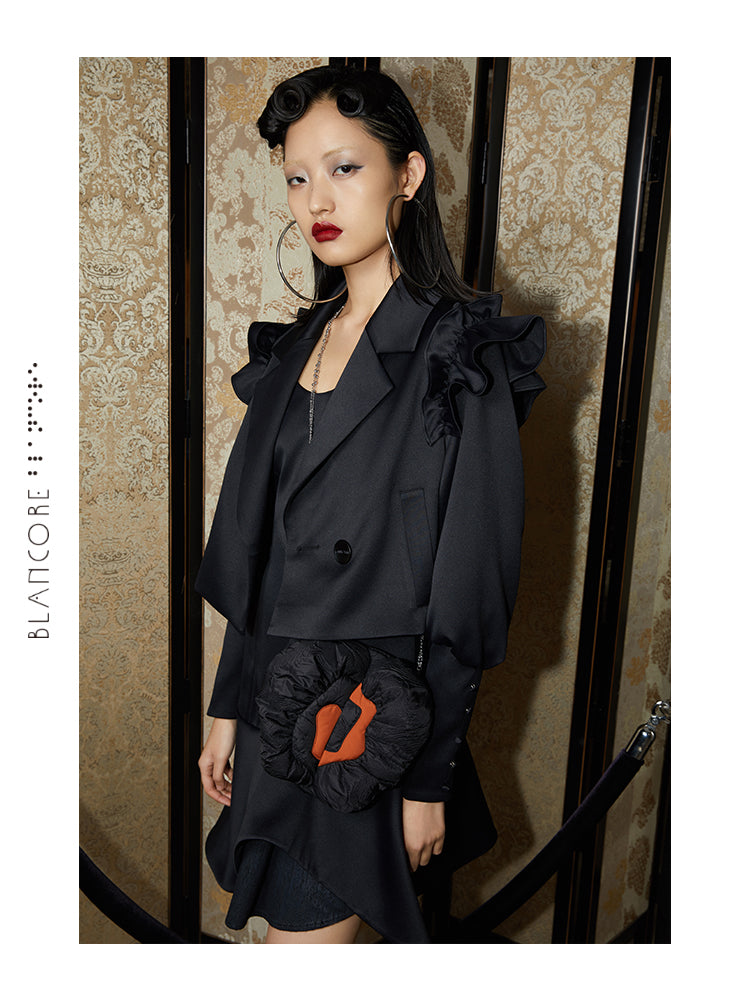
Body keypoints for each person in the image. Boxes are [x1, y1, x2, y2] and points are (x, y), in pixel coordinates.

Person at [196, 65, 546, 944]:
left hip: (366, 728)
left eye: (344, 168)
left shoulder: (461, 355)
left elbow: (468, 589)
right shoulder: (295, 348)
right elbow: (262, 553)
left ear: (409, 174)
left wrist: (427, 780)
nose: (316, 199)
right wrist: (227, 707)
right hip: (274, 705)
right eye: (296, 176)